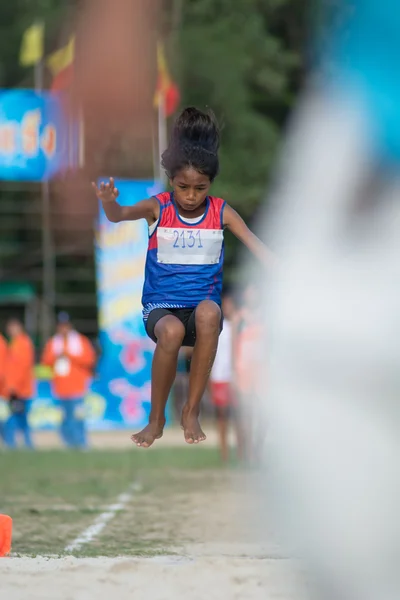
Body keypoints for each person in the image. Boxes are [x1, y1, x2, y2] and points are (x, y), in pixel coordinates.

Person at [92, 106, 273, 447]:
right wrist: (108, 203)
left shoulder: (221, 212)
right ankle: (156, 419)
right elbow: (119, 216)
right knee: (172, 332)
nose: (191, 196)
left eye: (200, 188)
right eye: (183, 187)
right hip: (161, 309)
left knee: (210, 312)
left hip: (201, 311)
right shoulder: (158, 207)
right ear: (171, 180)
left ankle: (191, 410)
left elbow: (257, 246)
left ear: (211, 184)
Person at [41, 312, 96, 449]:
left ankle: (81, 443)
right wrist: (56, 356)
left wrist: (70, 356)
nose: (63, 329)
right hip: (60, 388)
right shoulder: (53, 342)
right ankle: (68, 444)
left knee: (77, 417)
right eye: (60, 326)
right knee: (65, 419)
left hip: (77, 387)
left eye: (65, 326)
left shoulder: (80, 341)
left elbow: (89, 360)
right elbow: (45, 361)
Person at [209, 292, 244, 462]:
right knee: (222, 416)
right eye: (226, 305)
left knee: (239, 415)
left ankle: (242, 452)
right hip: (219, 376)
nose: (228, 308)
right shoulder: (218, 328)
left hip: (236, 376)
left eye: (230, 305)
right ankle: (224, 454)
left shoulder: (238, 325)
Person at [3, 318, 35, 449]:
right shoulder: (14, 343)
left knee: (18, 418)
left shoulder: (22, 343)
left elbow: (22, 367)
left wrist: (13, 385)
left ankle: (23, 444)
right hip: (16, 389)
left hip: (20, 390)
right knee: (17, 417)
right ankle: (22, 444)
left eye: (13, 327)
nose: (11, 330)